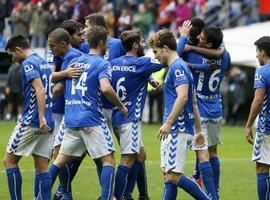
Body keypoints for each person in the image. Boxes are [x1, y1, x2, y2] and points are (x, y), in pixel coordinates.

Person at [49, 25, 128, 200]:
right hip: (91, 119)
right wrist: (121, 106)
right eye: (106, 42)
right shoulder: (102, 63)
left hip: (71, 120)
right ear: (102, 43)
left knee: (59, 161)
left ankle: (40, 196)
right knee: (108, 160)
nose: (107, 44)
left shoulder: (74, 62)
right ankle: (107, 197)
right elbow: (106, 89)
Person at [149, 29, 209, 200]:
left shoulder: (177, 68)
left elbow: (183, 97)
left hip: (178, 128)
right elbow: (194, 101)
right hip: (178, 128)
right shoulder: (177, 67)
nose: (155, 57)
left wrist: (168, 123)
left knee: (173, 176)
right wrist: (198, 130)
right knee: (168, 175)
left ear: (165, 48)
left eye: (156, 51)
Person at [178, 22, 231, 199]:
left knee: (202, 154)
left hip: (199, 111)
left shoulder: (192, 56)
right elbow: (224, 61)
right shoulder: (226, 56)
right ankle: (215, 191)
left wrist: (184, 38)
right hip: (216, 109)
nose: (198, 38)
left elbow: (175, 56)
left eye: (202, 38)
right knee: (213, 151)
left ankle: (211, 197)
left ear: (209, 44)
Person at [110, 29, 163, 200]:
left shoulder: (113, 63)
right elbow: (168, 58)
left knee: (140, 155)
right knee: (128, 158)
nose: (144, 44)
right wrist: (183, 38)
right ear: (134, 45)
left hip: (117, 117)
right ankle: (119, 196)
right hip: (130, 119)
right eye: (141, 41)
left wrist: (150, 79)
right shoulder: (141, 63)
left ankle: (131, 194)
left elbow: (132, 73)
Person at [3, 35, 54, 200]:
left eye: (12, 55)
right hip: (49, 119)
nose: (13, 59)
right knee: (42, 166)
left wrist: (40, 117)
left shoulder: (28, 63)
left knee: (9, 161)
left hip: (33, 121)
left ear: (18, 50)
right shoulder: (43, 62)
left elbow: (39, 90)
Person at [46, 27, 84, 200]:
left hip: (73, 111)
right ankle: (63, 192)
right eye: (79, 34)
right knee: (59, 154)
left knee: (60, 154)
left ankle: (61, 192)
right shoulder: (61, 54)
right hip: (64, 110)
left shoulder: (74, 56)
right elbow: (50, 76)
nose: (82, 38)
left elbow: (60, 85)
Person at [245, 36, 270, 200]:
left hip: (267, 127)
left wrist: (248, 125)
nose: (255, 55)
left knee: (262, 168)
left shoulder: (262, 71)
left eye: (257, 51)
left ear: (262, 52)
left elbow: (258, 100)